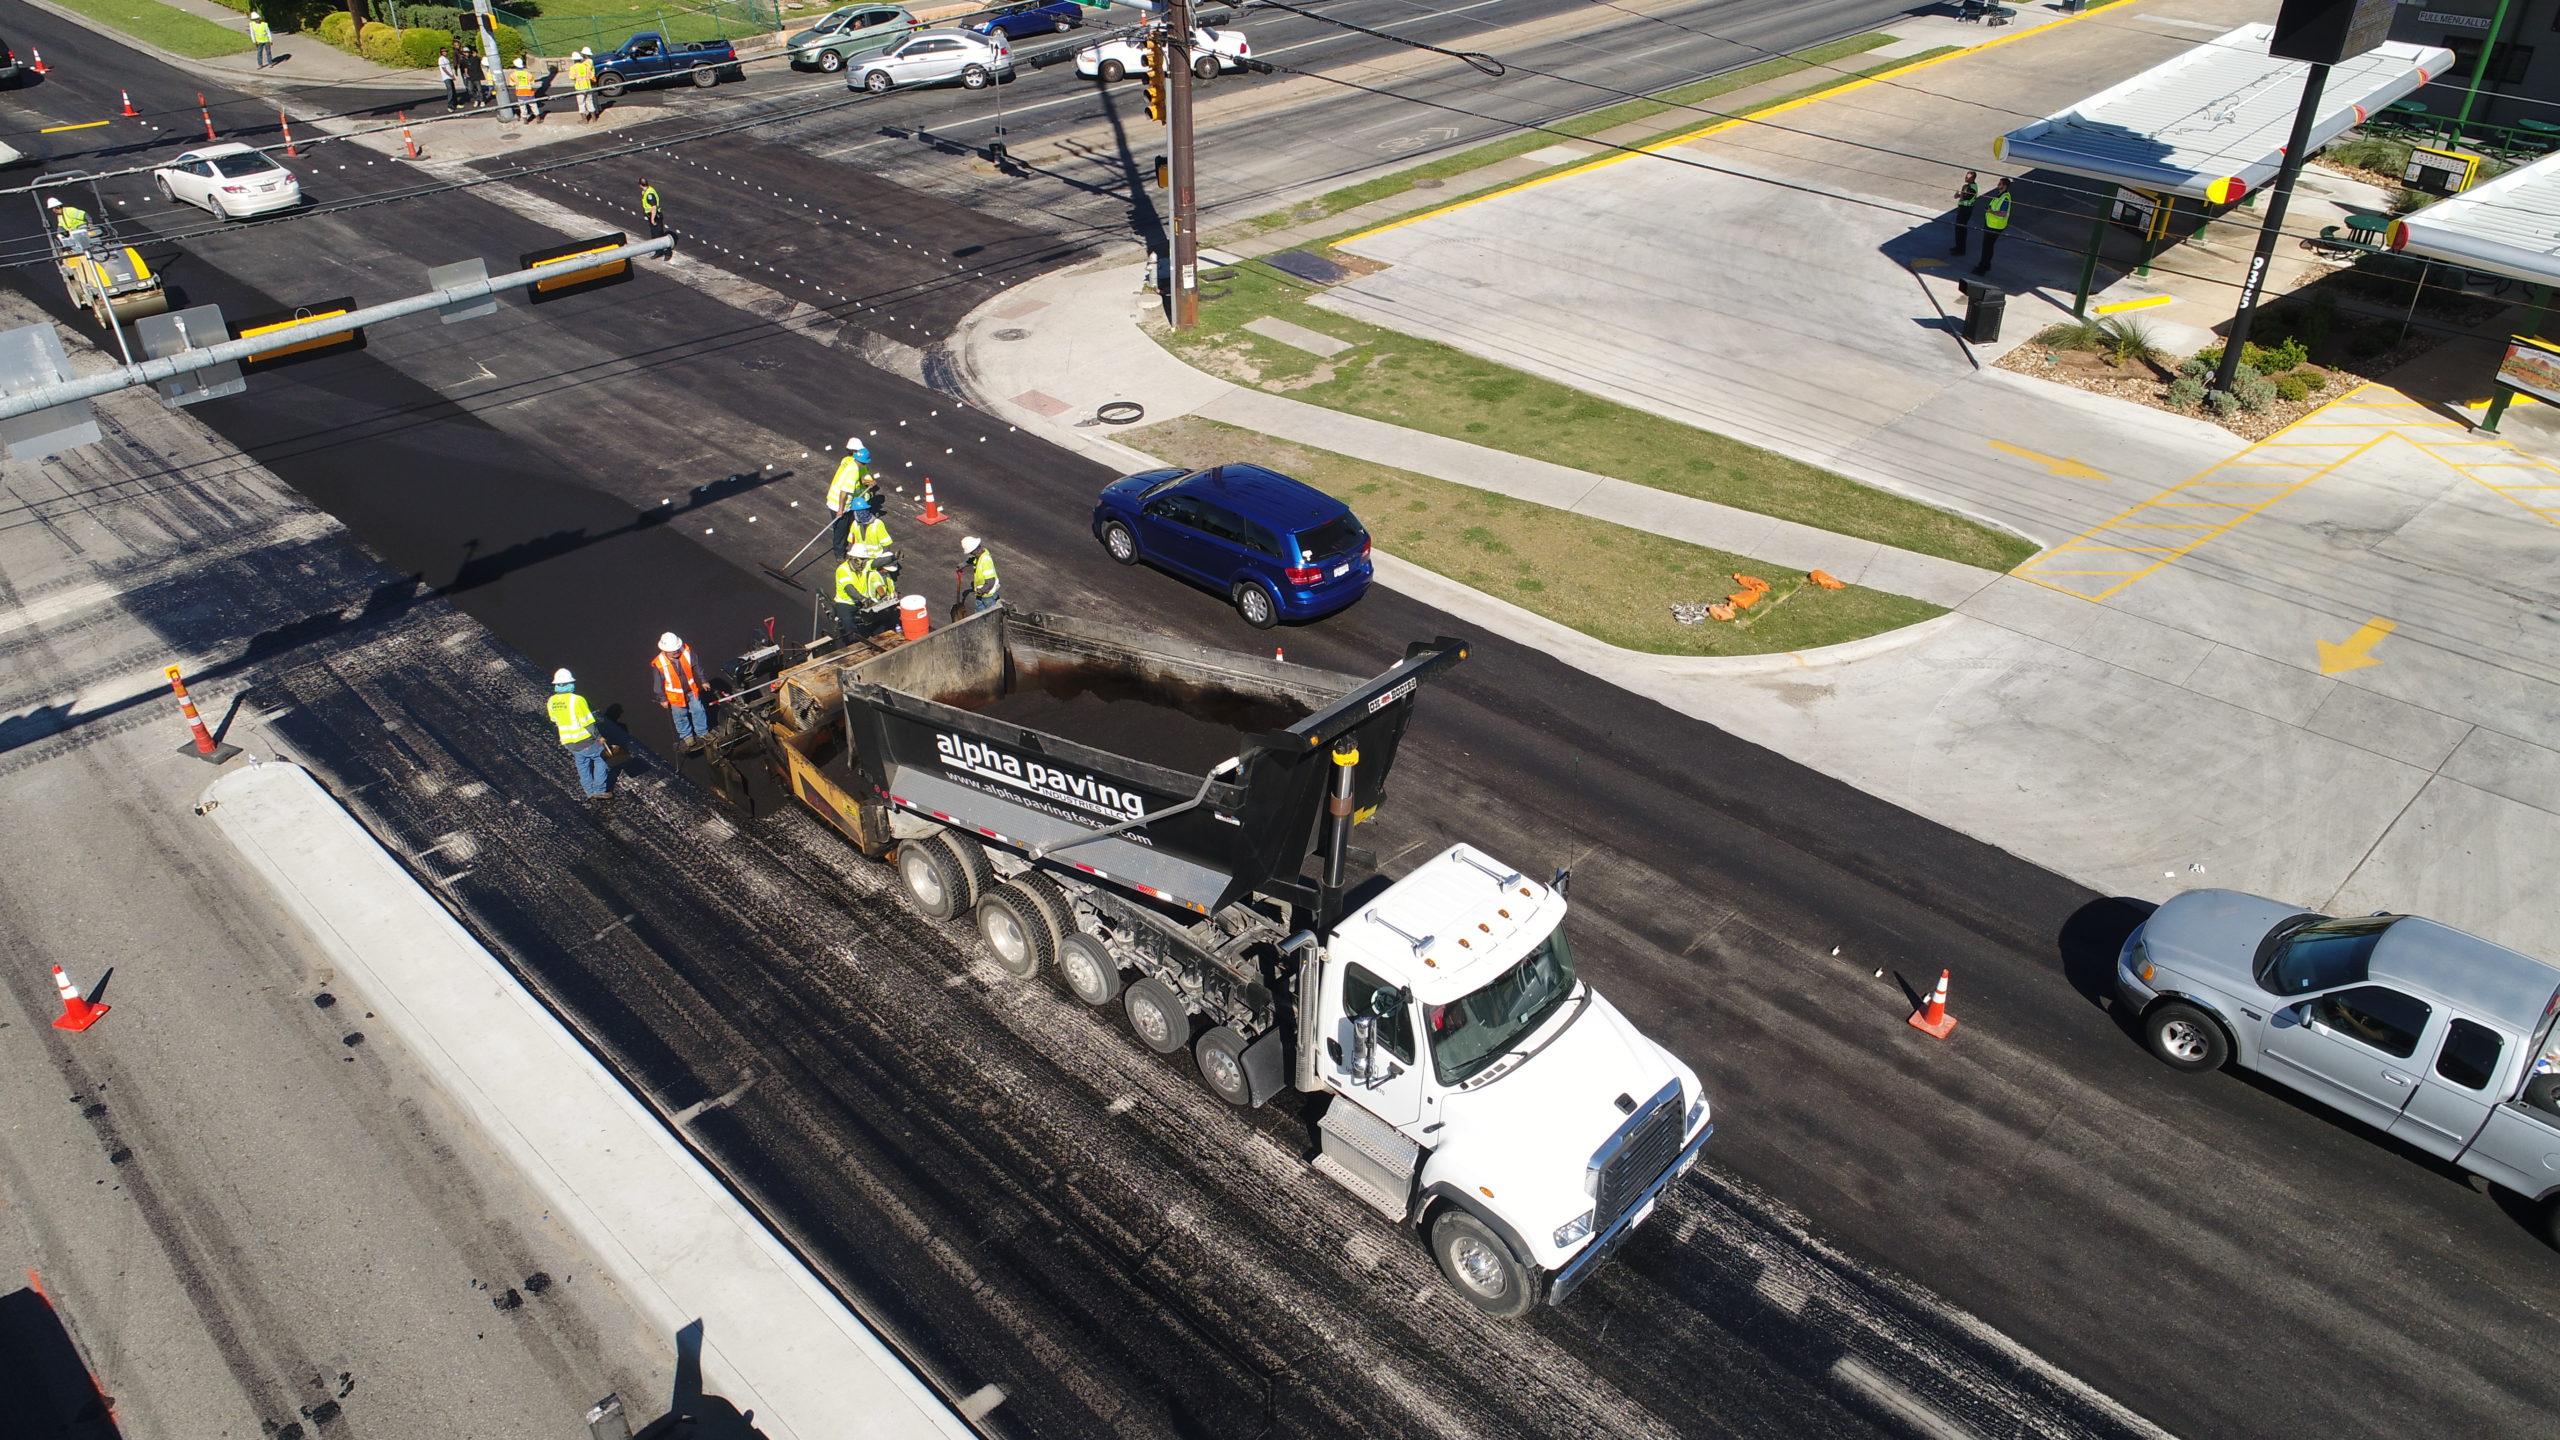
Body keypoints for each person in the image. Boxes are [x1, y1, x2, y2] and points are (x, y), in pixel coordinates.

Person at [547, 668, 610, 798]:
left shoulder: (551, 701)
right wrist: (599, 737)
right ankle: (600, 790)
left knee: (582, 765)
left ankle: (589, 791)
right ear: (570, 684)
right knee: (601, 759)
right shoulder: (577, 700)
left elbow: (554, 719)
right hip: (585, 740)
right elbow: (587, 722)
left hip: (569, 742)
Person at [650, 632, 712, 752]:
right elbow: (658, 684)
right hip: (675, 696)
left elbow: (697, 667)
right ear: (665, 650)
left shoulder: (687, 652)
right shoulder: (659, 663)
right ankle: (687, 737)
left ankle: (702, 732)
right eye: (672, 650)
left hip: (690, 690)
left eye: (677, 649)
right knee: (680, 716)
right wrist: (662, 698)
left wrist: (704, 680)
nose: (676, 652)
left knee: (699, 710)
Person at [834, 544, 896, 642]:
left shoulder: (865, 565)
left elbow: (877, 562)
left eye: (865, 559)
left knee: (879, 616)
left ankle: (876, 638)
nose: (864, 562)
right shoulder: (842, 570)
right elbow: (849, 588)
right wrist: (863, 599)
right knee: (849, 626)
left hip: (862, 601)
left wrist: (893, 557)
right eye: (862, 559)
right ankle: (853, 646)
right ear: (853, 558)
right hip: (846, 604)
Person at [825, 437, 873, 553]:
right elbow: (844, 491)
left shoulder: (850, 463)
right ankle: (839, 553)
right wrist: (841, 509)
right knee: (840, 530)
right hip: (839, 503)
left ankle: (842, 547)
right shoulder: (853, 471)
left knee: (841, 527)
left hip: (837, 501)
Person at [1972, 177, 2012, 278]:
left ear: (2005, 186)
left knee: (1987, 248)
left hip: (1995, 226)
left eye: (2000, 184)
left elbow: (2003, 214)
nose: (1998, 185)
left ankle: (1982, 268)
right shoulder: (2000, 195)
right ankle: (1986, 265)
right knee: (1988, 246)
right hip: (1991, 224)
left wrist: (1991, 212)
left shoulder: (2005, 198)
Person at [849, 505, 898, 584]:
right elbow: (851, 541)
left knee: (879, 581)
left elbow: (886, 544)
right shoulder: (855, 524)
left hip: (876, 559)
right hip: (862, 558)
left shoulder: (877, 524)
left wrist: (883, 560)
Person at [956, 536, 1001, 618]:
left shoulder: (985, 560)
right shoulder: (979, 555)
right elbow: (973, 560)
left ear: (974, 550)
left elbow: (990, 581)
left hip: (988, 594)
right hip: (981, 592)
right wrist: (963, 564)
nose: (971, 554)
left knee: (991, 615)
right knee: (979, 614)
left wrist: (982, 590)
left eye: (971, 553)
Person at [1950, 170, 1978, 258]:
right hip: (1962, 208)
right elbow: (1961, 197)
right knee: (1958, 228)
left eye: (1968, 177)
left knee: (1961, 229)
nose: (1966, 178)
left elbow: (1964, 198)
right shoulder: (1967, 186)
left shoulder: (1972, 188)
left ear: (1973, 178)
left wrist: (1961, 194)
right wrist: (1958, 195)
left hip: (1966, 210)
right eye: (1966, 176)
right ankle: (1958, 246)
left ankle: (1961, 249)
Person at [509, 56, 541, 123]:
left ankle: (525, 120)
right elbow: (533, 82)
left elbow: (511, 84)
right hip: (529, 92)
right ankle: (538, 119)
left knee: (522, 107)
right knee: (533, 105)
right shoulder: (528, 74)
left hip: (520, 93)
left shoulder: (513, 75)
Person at [571, 47, 597, 121]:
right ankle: (594, 118)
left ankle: (584, 120)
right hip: (588, 86)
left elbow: (572, 77)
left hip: (579, 88)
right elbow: (589, 74)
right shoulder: (585, 66)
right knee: (590, 102)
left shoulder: (574, 67)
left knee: (581, 104)